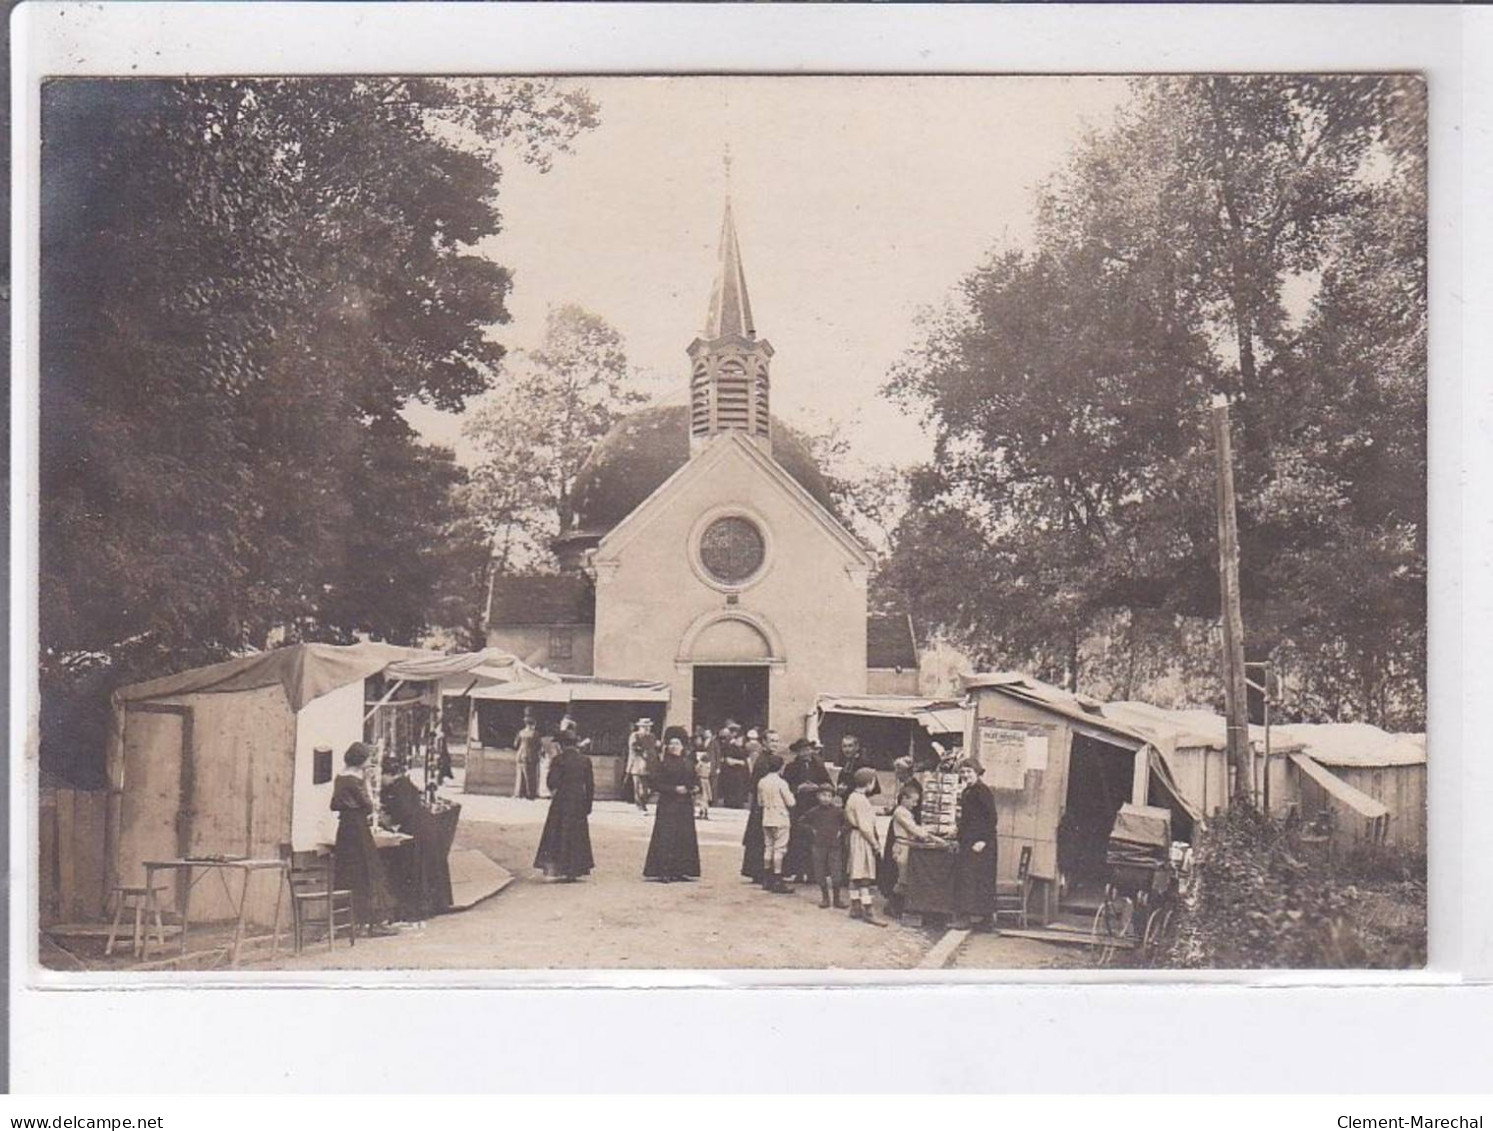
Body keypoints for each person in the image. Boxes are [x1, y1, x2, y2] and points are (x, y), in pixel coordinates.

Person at [330, 742, 396, 936]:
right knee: (370, 870)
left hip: (345, 830)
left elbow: (334, 804)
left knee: (349, 873)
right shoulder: (354, 779)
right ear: (360, 759)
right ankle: (373, 922)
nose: (370, 762)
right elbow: (368, 805)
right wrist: (367, 782)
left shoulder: (340, 777)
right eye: (368, 758)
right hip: (357, 829)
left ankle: (351, 922)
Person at [533, 734, 595, 881]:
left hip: (562, 800)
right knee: (576, 835)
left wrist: (556, 792)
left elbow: (551, 782)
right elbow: (590, 786)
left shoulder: (558, 760)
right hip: (579, 801)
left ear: (561, 745)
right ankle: (573, 870)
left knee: (558, 833)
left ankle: (557, 868)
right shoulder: (585, 760)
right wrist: (588, 805)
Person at [643, 727, 701, 882]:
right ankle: (664, 870)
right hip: (668, 805)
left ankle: (681, 870)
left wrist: (695, 787)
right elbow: (655, 783)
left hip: (685, 806)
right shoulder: (663, 764)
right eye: (672, 743)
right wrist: (674, 789)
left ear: (683, 746)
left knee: (684, 836)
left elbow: (695, 779)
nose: (675, 746)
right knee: (666, 837)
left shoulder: (688, 763)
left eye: (678, 743)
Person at [952, 758, 999, 930]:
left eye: (969, 772)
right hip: (969, 842)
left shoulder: (982, 791)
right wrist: (958, 835)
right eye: (963, 772)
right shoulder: (968, 791)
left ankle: (982, 919)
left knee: (980, 880)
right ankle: (972, 917)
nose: (965, 775)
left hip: (982, 844)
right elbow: (967, 819)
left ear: (977, 772)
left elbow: (991, 818)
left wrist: (983, 841)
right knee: (968, 879)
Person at [885, 783, 944, 917]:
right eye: (913, 801)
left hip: (906, 846)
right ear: (904, 798)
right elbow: (914, 829)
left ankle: (896, 906)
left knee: (904, 878)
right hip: (902, 847)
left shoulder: (905, 812)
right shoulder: (900, 812)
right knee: (903, 879)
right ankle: (892, 905)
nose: (915, 804)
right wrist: (935, 838)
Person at [782, 738, 832, 882]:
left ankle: (813, 873)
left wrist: (817, 788)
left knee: (813, 840)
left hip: (815, 807)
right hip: (798, 808)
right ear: (797, 752)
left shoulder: (818, 766)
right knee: (797, 840)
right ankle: (798, 872)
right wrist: (798, 788)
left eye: (808, 749)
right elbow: (785, 787)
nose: (806, 752)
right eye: (803, 750)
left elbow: (828, 783)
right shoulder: (791, 767)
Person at [880, 761, 923, 902]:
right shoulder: (907, 787)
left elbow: (912, 810)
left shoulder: (913, 788)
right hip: (901, 829)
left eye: (899, 772)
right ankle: (892, 897)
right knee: (897, 867)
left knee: (899, 869)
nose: (897, 775)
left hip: (904, 830)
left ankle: (893, 897)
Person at [801, 784, 848, 909]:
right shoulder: (814, 812)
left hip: (834, 846)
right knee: (819, 871)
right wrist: (812, 830)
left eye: (829, 796)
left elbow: (847, 823)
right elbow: (801, 822)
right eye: (823, 795)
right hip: (818, 845)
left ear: (833, 797)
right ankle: (825, 898)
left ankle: (837, 899)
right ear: (818, 796)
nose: (826, 798)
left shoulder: (838, 811)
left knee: (836, 872)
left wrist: (841, 832)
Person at [756, 753, 796, 894]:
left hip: (767, 817)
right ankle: (778, 878)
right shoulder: (781, 783)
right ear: (781, 767)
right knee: (780, 848)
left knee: (768, 846)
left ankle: (767, 877)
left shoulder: (762, 782)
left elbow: (759, 802)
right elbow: (791, 802)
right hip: (780, 817)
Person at [739, 745, 775, 883]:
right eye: (772, 741)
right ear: (765, 742)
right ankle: (759, 871)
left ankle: (757, 871)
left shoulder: (764, 759)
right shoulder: (763, 762)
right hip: (762, 805)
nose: (775, 744)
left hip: (761, 804)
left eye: (777, 741)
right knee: (760, 838)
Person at [835, 734, 881, 802]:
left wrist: (847, 789)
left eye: (850, 746)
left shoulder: (864, 763)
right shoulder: (846, 763)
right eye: (844, 746)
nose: (847, 749)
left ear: (857, 747)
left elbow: (873, 788)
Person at [626, 717, 658, 814]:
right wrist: (643, 751)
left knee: (650, 788)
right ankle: (641, 806)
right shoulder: (635, 735)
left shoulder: (652, 736)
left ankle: (644, 802)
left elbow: (654, 748)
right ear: (640, 727)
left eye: (648, 727)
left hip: (651, 765)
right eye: (645, 727)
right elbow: (633, 747)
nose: (647, 729)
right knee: (640, 787)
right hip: (638, 765)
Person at [716, 723, 751, 809]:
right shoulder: (730, 748)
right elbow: (729, 761)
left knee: (740, 792)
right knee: (731, 792)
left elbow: (747, 761)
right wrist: (741, 762)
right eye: (739, 739)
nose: (740, 741)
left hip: (741, 776)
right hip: (732, 775)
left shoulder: (743, 750)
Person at [513, 710, 540, 801]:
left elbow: (515, 744)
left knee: (520, 775)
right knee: (530, 776)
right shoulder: (535, 734)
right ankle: (530, 793)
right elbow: (538, 745)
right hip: (530, 756)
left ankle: (519, 793)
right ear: (533, 724)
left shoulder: (521, 732)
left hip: (520, 755)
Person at [693, 732, 715, 820]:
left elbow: (696, 770)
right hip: (706, 781)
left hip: (701, 780)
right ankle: (705, 812)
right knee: (705, 798)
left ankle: (702, 812)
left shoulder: (701, 764)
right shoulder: (709, 765)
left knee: (702, 797)